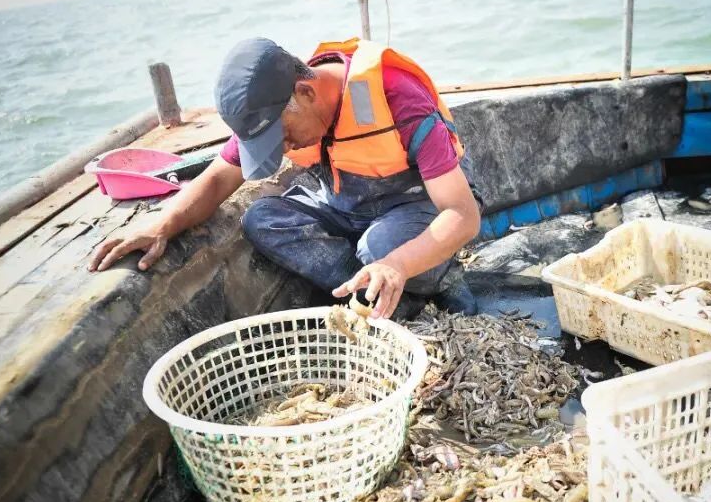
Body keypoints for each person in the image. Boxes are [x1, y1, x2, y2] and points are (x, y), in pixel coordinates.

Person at [89, 37, 481, 320]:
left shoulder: (398, 98)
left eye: (281, 136)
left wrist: (397, 263)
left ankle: (437, 279)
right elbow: (220, 178)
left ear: (305, 93)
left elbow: (463, 215)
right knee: (262, 219)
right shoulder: (274, 106)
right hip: (343, 203)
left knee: (380, 247)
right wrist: (162, 225)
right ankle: (378, 297)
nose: (281, 147)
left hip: (415, 205)